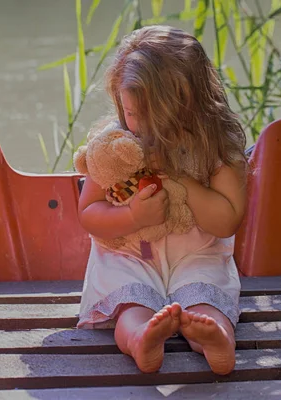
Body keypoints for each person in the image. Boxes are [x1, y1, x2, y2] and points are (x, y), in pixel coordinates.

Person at [76, 25, 248, 376]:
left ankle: (217, 339)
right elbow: (89, 213)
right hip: (129, 255)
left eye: (147, 114)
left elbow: (228, 219)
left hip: (197, 253)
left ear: (187, 102)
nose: (136, 125)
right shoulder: (115, 146)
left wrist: (180, 179)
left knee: (205, 298)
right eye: (129, 111)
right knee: (130, 302)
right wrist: (133, 219)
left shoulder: (214, 146)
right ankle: (140, 338)